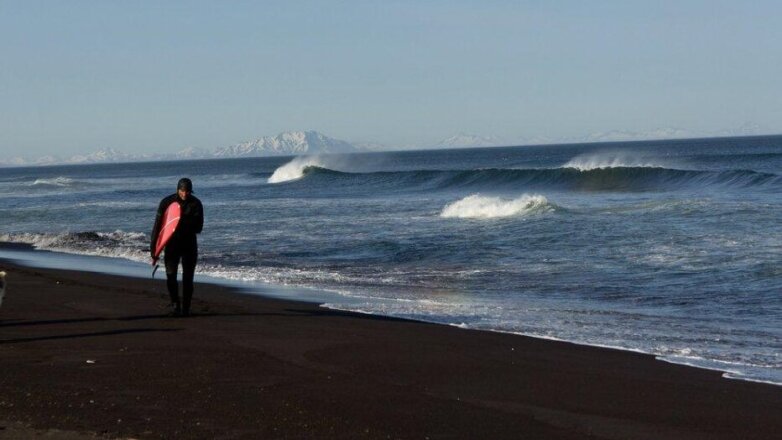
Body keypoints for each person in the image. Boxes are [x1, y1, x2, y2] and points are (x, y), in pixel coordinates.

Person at [151, 178, 203, 317]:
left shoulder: (196, 204)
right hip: (172, 245)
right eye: (182, 191)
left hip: (189, 245)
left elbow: (199, 228)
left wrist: (182, 221)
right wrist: (154, 249)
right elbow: (158, 227)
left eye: (187, 191)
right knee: (171, 276)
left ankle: (186, 309)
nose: (185, 194)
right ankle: (175, 305)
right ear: (177, 189)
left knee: (188, 278)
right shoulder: (167, 202)